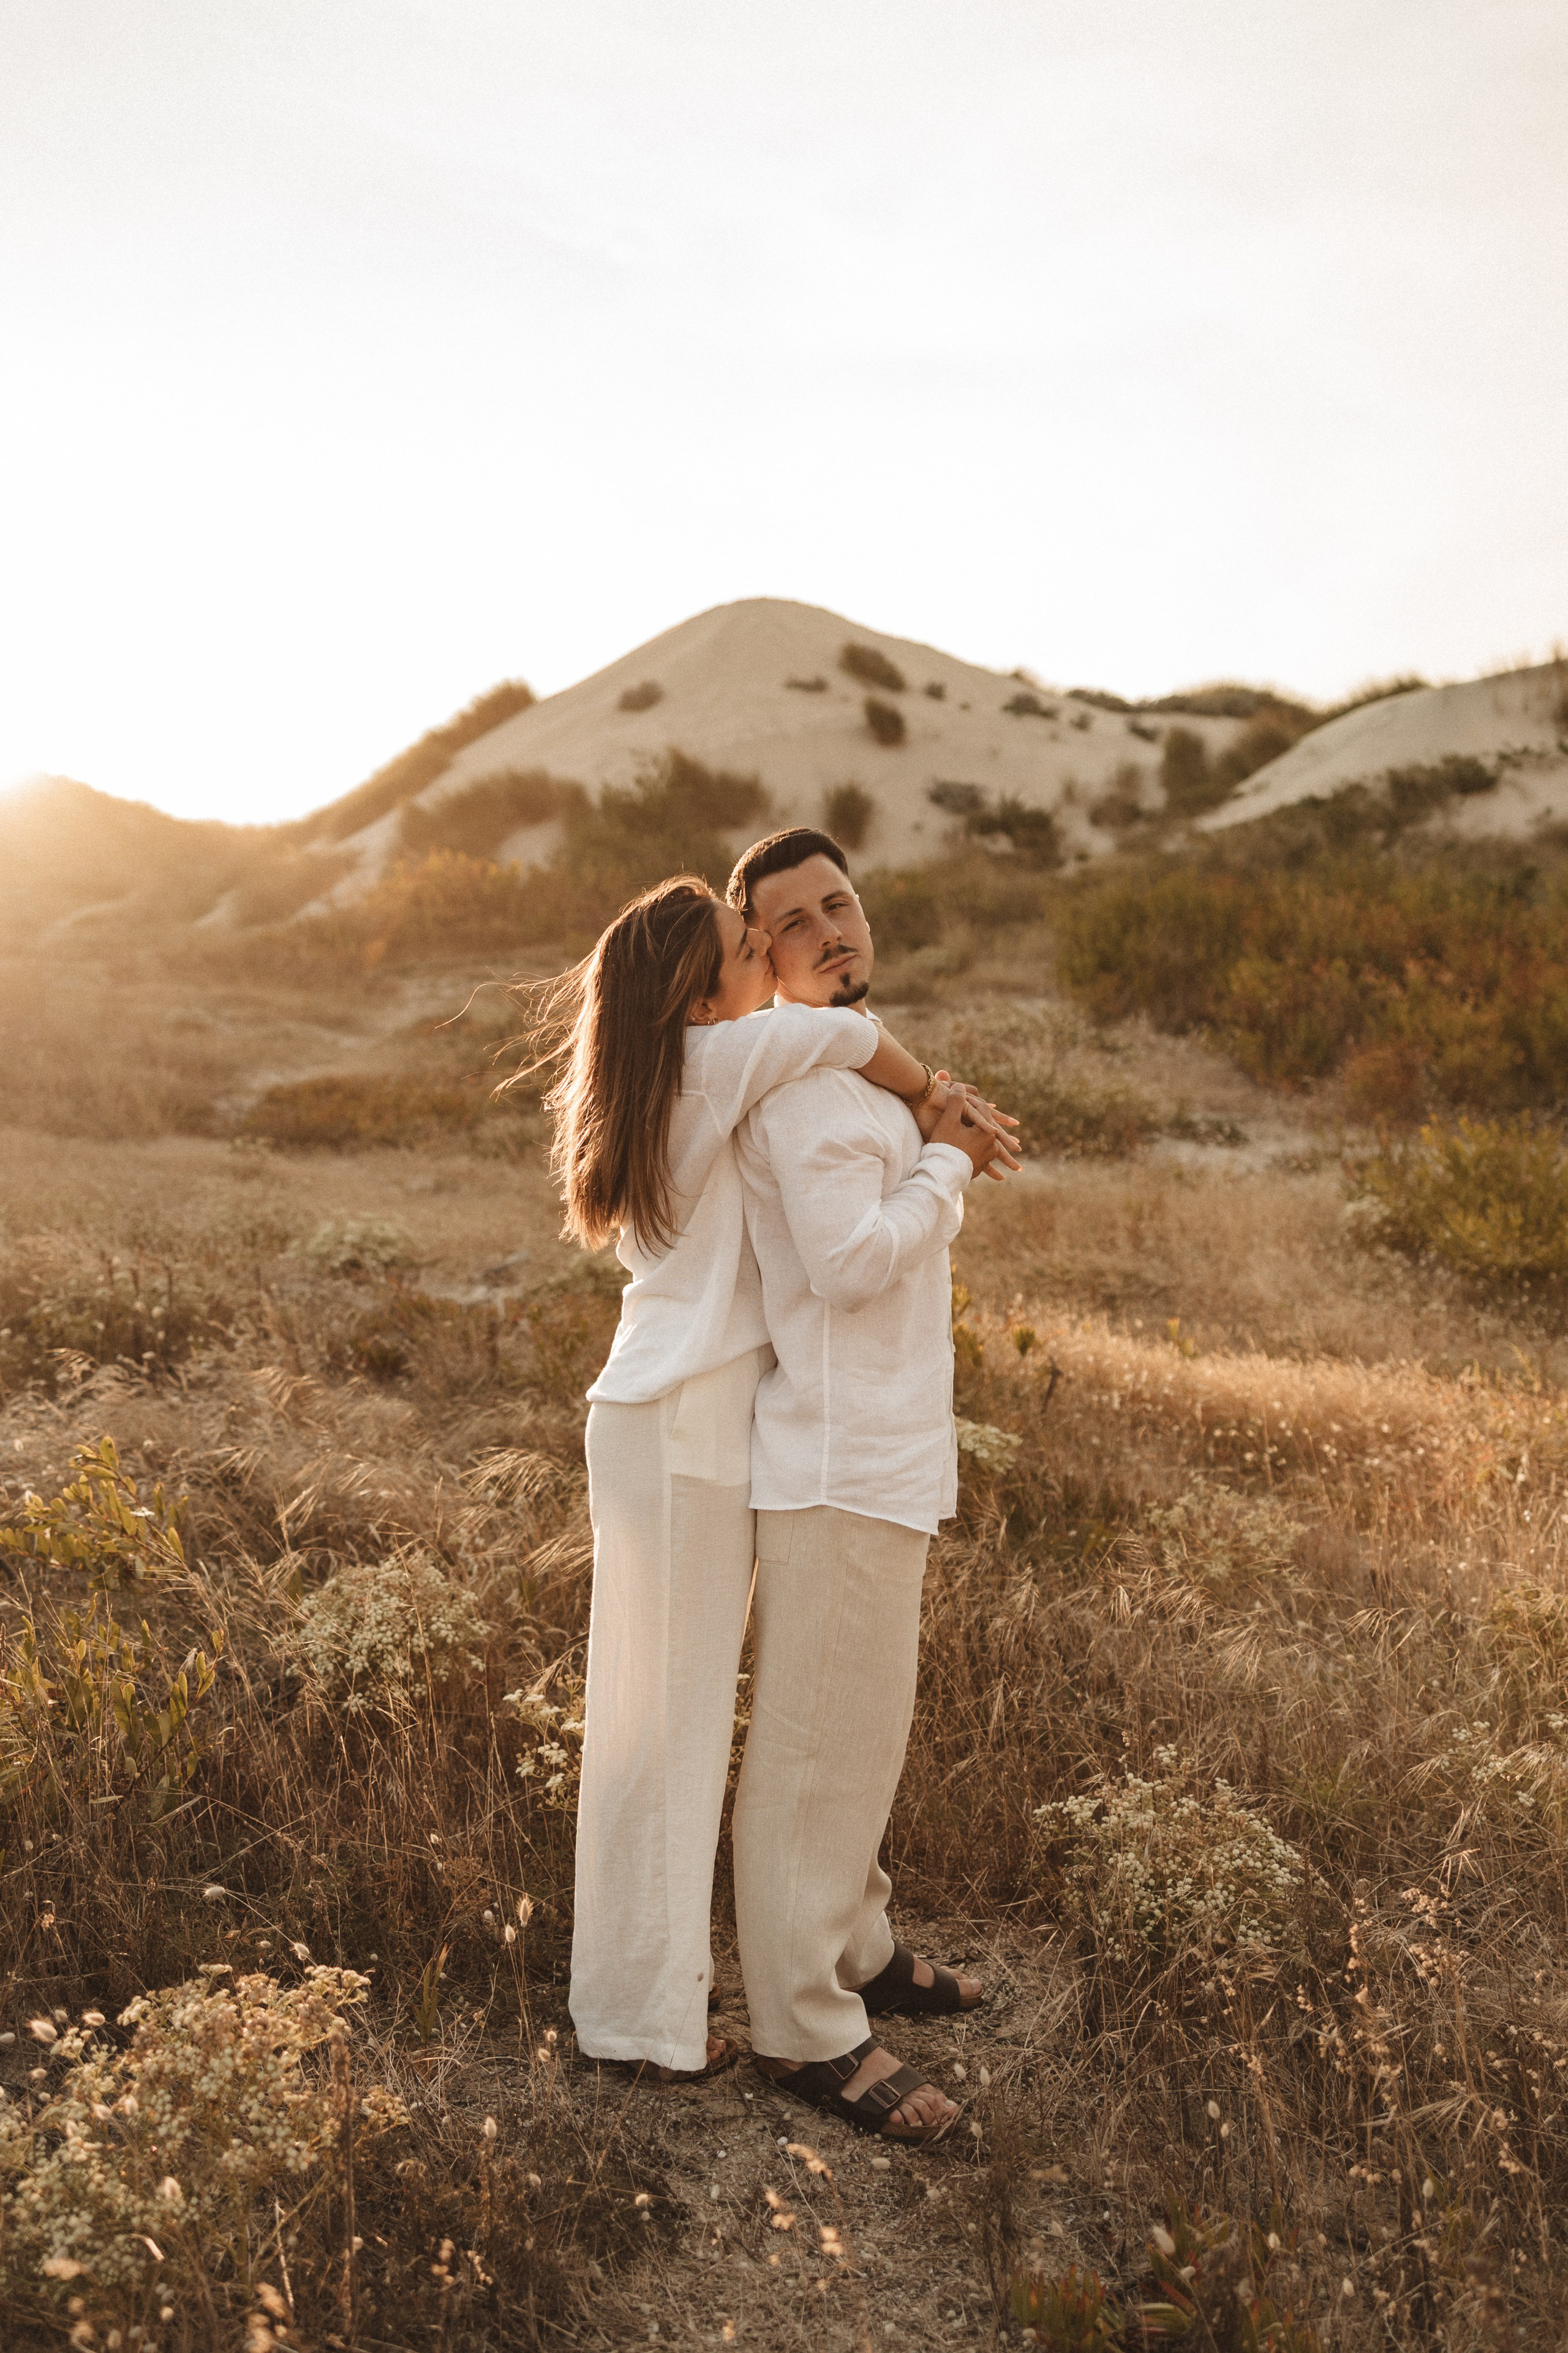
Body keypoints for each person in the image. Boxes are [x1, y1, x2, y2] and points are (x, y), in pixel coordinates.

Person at [543, 872, 1009, 2082]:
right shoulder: (725, 1058)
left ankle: (632, 2001)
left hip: (658, 1417)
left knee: (652, 1720)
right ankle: (641, 2021)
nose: (767, 958)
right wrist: (938, 1109)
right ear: (704, 990)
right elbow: (852, 1032)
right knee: (669, 1726)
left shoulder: (677, 1067)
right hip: (682, 1427)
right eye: (747, 946)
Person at [726, 828, 1011, 2143]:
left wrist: (933, 1129)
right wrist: (947, 1161)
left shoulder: (858, 1067)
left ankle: (856, 1944)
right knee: (811, 1748)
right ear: (758, 954)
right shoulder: (801, 1090)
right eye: (795, 920)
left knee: (865, 1731)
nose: (832, 927)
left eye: (839, 900)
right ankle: (799, 2024)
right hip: (834, 1458)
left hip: (882, 1448)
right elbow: (845, 1265)